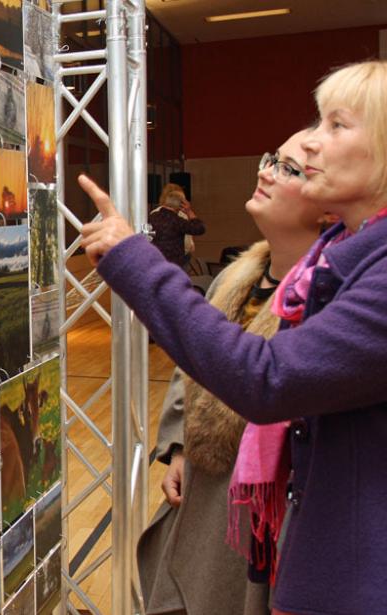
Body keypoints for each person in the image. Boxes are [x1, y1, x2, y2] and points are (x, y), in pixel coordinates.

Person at [79, 60, 387, 614]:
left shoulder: (353, 273)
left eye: (336, 125)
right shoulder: (329, 266)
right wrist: (180, 445)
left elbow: (266, 377)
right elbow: (197, 373)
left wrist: (134, 259)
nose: (311, 143)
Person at [138, 129, 327, 615]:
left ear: (329, 205)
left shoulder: (328, 302)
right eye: (270, 159)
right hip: (201, 493)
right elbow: (191, 367)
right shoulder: (233, 277)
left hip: (259, 518)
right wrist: (179, 447)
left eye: (288, 169)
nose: (265, 172)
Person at [149, 183, 206, 268]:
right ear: (181, 204)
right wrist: (189, 211)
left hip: (155, 261)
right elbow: (200, 228)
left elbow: (145, 237)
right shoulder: (178, 220)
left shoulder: (151, 216)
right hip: (174, 265)